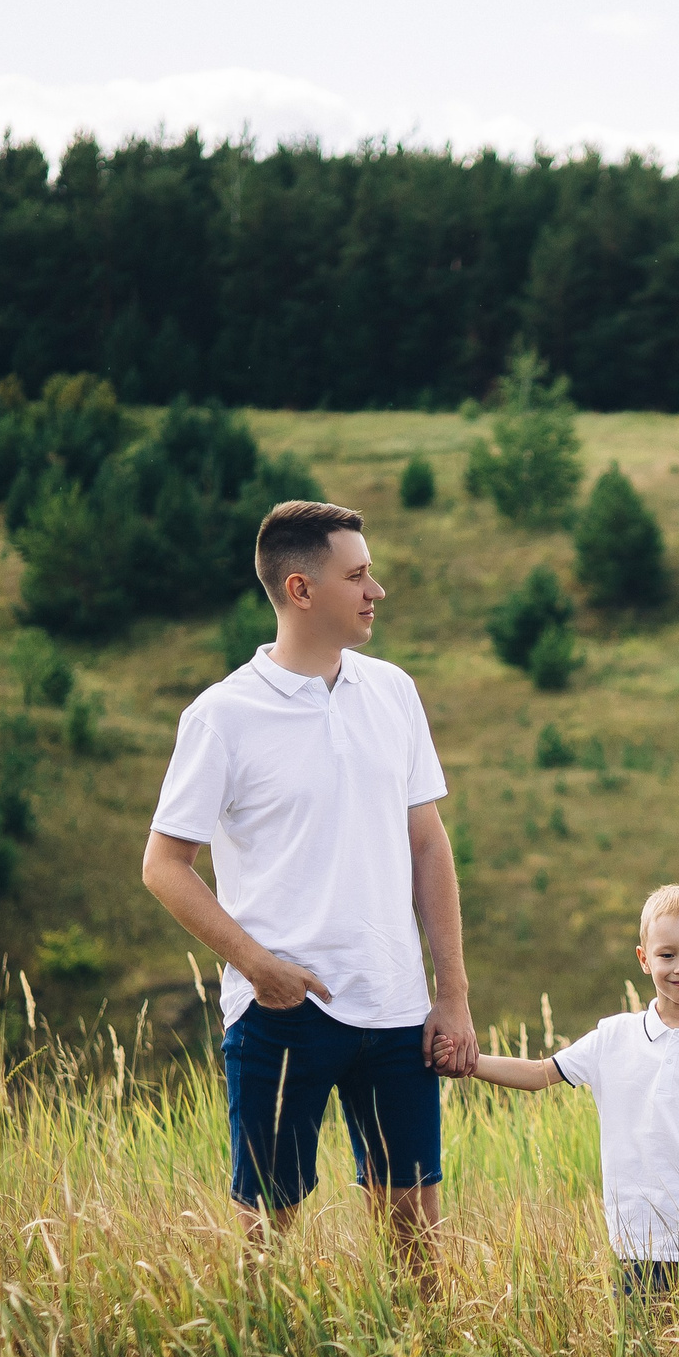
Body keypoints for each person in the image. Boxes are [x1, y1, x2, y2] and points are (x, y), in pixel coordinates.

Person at [141, 500, 477, 1271]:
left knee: (415, 1231)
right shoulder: (222, 716)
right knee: (269, 1232)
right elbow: (164, 864)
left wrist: (449, 992)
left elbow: (428, 843)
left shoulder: (393, 691)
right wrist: (259, 967)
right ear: (300, 590)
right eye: (357, 575)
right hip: (282, 1012)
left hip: (394, 1008)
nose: (376, 590)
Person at [467, 885, 679, 1300]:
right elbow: (539, 1073)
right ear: (644, 959)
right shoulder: (613, 1036)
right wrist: (468, 1062)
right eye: (667, 955)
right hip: (635, 1247)